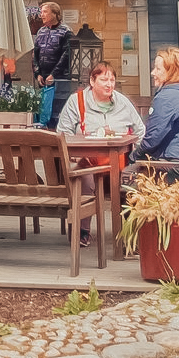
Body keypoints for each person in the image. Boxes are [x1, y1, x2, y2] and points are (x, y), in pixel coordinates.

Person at [57, 62, 144, 247]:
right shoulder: (77, 101)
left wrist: (134, 156)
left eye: (112, 80)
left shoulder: (123, 102)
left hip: (120, 162)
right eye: (104, 79)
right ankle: (82, 230)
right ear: (92, 81)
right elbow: (62, 133)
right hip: (87, 160)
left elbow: (141, 131)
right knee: (83, 178)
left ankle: (130, 233)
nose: (109, 84)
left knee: (132, 179)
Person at [32, 1, 73, 126]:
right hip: (42, 78)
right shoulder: (41, 31)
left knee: (55, 112)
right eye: (41, 12)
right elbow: (35, 54)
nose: (41, 15)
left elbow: (66, 55)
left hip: (59, 79)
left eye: (45, 12)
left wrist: (54, 74)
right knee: (41, 110)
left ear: (55, 14)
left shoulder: (66, 32)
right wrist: (37, 73)